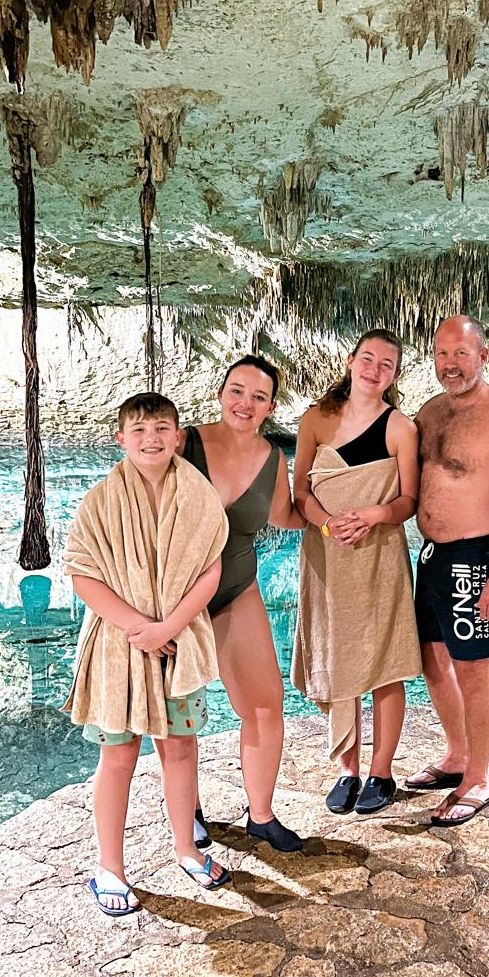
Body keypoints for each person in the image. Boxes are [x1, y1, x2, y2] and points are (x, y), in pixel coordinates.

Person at [62, 392, 231, 916]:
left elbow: (210, 568)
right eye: (138, 430)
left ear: (178, 437)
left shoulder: (198, 494)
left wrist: (171, 627)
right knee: (118, 756)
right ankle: (108, 867)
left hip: (178, 643)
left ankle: (185, 848)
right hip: (119, 647)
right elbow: (81, 571)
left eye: (161, 428)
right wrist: (141, 627)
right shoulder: (101, 500)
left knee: (180, 748)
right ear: (120, 439)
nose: (150, 439)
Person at [406, 316, 489, 827]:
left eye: (460, 354)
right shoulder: (431, 412)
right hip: (433, 556)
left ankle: (479, 777)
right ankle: (458, 754)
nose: (449, 365)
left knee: (473, 669)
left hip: (475, 557)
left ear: (483, 357)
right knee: (432, 658)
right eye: (441, 354)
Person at [291, 329, 421, 815]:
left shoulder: (400, 429)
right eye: (368, 358)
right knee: (337, 655)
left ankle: (381, 772)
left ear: (394, 375)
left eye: (387, 364)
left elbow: (408, 500)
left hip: (379, 556)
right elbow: (300, 493)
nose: (375, 369)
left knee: (386, 662)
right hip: (327, 557)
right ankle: (347, 769)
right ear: (350, 361)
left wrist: (371, 515)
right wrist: (327, 524)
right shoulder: (315, 420)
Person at [181, 355, 306, 853]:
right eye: (237, 391)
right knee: (181, 714)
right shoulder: (182, 442)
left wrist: (336, 516)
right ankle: (185, 810)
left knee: (264, 705)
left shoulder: (274, 460)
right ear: (221, 393)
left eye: (258, 397)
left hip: (237, 588)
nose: (245, 403)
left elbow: (287, 516)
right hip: (176, 600)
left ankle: (261, 814)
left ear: (271, 407)